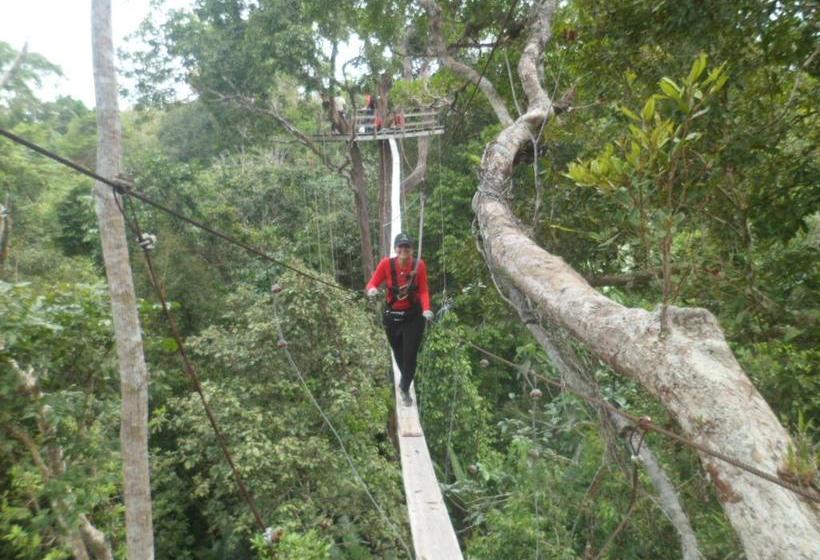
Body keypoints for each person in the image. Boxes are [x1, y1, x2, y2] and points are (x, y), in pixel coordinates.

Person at [366, 233, 433, 406]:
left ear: (411, 249)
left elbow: (424, 290)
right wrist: (372, 290)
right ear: (395, 249)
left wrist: (426, 309)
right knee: (398, 353)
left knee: (410, 355)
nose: (403, 250)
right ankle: (406, 378)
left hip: (413, 316)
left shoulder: (419, 265)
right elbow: (372, 283)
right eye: (400, 247)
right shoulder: (386, 264)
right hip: (393, 316)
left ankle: (404, 387)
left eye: (407, 247)